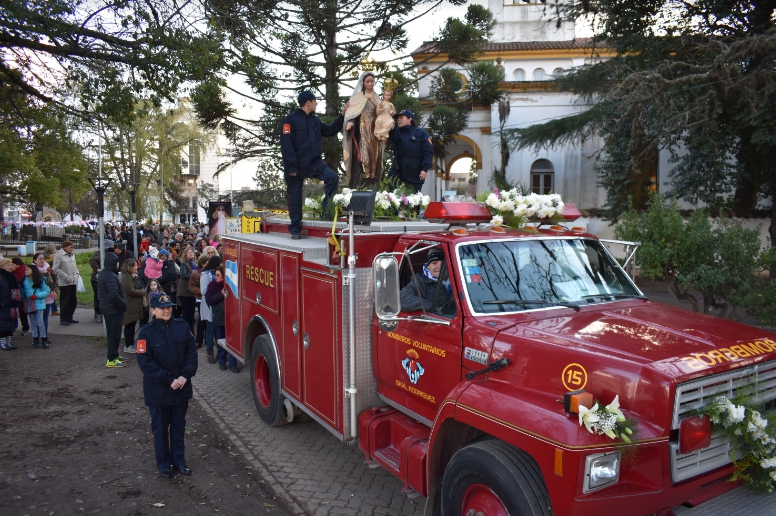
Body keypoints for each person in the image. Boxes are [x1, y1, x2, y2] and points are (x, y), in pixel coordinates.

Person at [136, 293, 198, 479]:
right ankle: (164, 464)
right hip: (159, 391)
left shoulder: (182, 326)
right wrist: (169, 379)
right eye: (162, 308)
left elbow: (192, 354)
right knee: (161, 429)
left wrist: (184, 376)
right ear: (153, 310)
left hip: (181, 388)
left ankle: (179, 461)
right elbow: (145, 363)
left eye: (169, 306)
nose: (166, 310)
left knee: (179, 427)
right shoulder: (145, 333)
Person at [279, 90, 349, 239]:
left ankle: (326, 211)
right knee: (295, 196)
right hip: (296, 165)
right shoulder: (289, 120)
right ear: (308, 102)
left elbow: (330, 130)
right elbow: (286, 145)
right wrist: (291, 167)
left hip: (314, 162)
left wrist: (342, 116)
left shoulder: (315, 120)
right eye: (315, 101)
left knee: (333, 178)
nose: (317, 103)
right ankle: (295, 229)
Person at [343, 72, 385, 188]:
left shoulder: (376, 98)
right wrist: (350, 123)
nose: (370, 84)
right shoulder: (357, 98)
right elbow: (352, 115)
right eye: (368, 81)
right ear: (363, 83)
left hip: (375, 135)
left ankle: (373, 186)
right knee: (361, 159)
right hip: (362, 134)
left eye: (372, 81)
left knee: (375, 160)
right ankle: (360, 186)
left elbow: (383, 115)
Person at [387, 110, 434, 193]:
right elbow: (393, 138)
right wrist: (392, 129)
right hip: (397, 170)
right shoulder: (397, 132)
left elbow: (428, 152)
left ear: (410, 119)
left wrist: (424, 168)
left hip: (414, 173)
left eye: (401, 117)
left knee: (413, 200)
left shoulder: (421, 133)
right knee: (391, 196)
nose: (399, 120)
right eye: (398, 118)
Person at [97, 252, 128, 368]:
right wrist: (123, 305)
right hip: (113, 309)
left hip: (110, 308)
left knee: (114, 333)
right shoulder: (110, 276)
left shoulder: (106, 274)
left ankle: (114, 355)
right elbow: (113, 295)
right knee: (114, 334)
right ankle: (112, 358)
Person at [400, 249, 453, 314]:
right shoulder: (419, 280)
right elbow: (402, 298)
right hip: (435, 320)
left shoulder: (459, 278)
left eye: (443, 263)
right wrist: (431, 306)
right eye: (434, 263)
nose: (439, 267)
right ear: (428, 266)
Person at [205, 265, 237, 373]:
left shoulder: (231, 284)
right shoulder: (212, 286)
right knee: (220, 339)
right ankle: (222, 362)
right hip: (219, 316)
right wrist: (221, 294)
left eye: (218, 275)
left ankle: (233, 364)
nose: (215, 277)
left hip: (231, 316)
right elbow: (210, 300)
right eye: (215, 275)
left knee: (232, 341)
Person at [22, 264, 50, 349]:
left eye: (28, 269)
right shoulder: (23, 281)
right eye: (26, 269)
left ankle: (44, 339)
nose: (26, 271)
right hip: (30, 305)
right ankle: (35, 339)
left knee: (40, 322)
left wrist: (37, 296)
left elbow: (47, 290)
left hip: (39, 304)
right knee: (33, 323)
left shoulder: (40, 281)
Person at [200, 255, 221, 365]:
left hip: (216, 304)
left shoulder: (214, 273)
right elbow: (203, 291)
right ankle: (210, 353)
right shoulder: (205, 275)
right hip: (208, 304)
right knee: (210, 330)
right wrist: (213, 289)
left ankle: (219, 352)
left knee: (217, 330)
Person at [52, 241, 80, 325]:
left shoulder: (72, 255)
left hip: (73, 280)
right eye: (70, 247)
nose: (72, 248)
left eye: (73, 246)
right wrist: (65, 276)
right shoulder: (59, 255)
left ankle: (69, 316)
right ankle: (63, 318)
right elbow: (55, 268)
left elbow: (74, 267)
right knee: (65, 300)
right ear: (65, 247)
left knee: (73, 301)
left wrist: (77, 274)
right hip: (64, 282)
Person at [121, 259, 146, 354]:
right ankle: (128, 345)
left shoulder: (133, 276)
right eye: (135, 266)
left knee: (132, 325)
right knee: (129, 325)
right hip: (130, 304)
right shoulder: (126, 278)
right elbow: (131, 291)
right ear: (130, 267)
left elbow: (139, 286)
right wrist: (143, 292)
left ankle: (130, 343)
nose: (137, 267)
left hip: (134, 303)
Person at [32, 253, 57, 338]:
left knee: (45, 317)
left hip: (49, 297)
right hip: (38, 298)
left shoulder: (48, 268)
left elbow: (55, 280)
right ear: (35, 260)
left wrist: (55, 291)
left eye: (43, 258)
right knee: (38, 319)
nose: (42, 260)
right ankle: (36, 336)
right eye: (40, 259)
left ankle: (44, 336)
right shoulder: (32, 270)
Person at [89, 240, 114, 323]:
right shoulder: (101, 253)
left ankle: (103, 312)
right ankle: (98, 313)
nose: (113, 246)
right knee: (98, 296)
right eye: (112, 245)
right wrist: (97, 269)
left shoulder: (109, 253)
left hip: (105, 277)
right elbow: (92, 260)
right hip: (97, 278)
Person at [189, 255, 209, 351]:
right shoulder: (196, 274)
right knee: (201, 320)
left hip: (209, 299)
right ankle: (199, 340)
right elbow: (191, 286)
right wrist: (201, 291)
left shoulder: (210, 273)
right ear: (202, 263)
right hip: (200, 299)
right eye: (206, 263)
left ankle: (207, 339)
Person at [0, 258, 21, 350]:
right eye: (8, 265)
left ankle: (8, 342)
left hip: (12, 304)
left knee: (10, 325)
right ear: (1, 266)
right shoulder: (1, 276)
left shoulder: (12, 276)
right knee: (2, 325)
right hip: (3, 304)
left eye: (11, 264)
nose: (11, 266)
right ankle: (3, 343)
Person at [177, 248, 198, 333]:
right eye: (188, 253)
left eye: (192, 252)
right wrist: (194, 276)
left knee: (191, 311)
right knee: (186, 311)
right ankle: (185, 330)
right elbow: (183, 275)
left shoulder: (195, 264)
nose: (191, 254)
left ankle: (191, 330)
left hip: (192, 290)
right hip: (184, 290)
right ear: (185, 255)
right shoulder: (184, 264)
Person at [11, 258, 29, 336]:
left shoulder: (23, 271)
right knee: (14, 310)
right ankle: (14, 326)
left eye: (12, 264)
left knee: (22, 311)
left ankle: (25, 327)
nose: (11, 266)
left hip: (22, 295)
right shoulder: (12, 272)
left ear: (17, 265)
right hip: (14, 295)